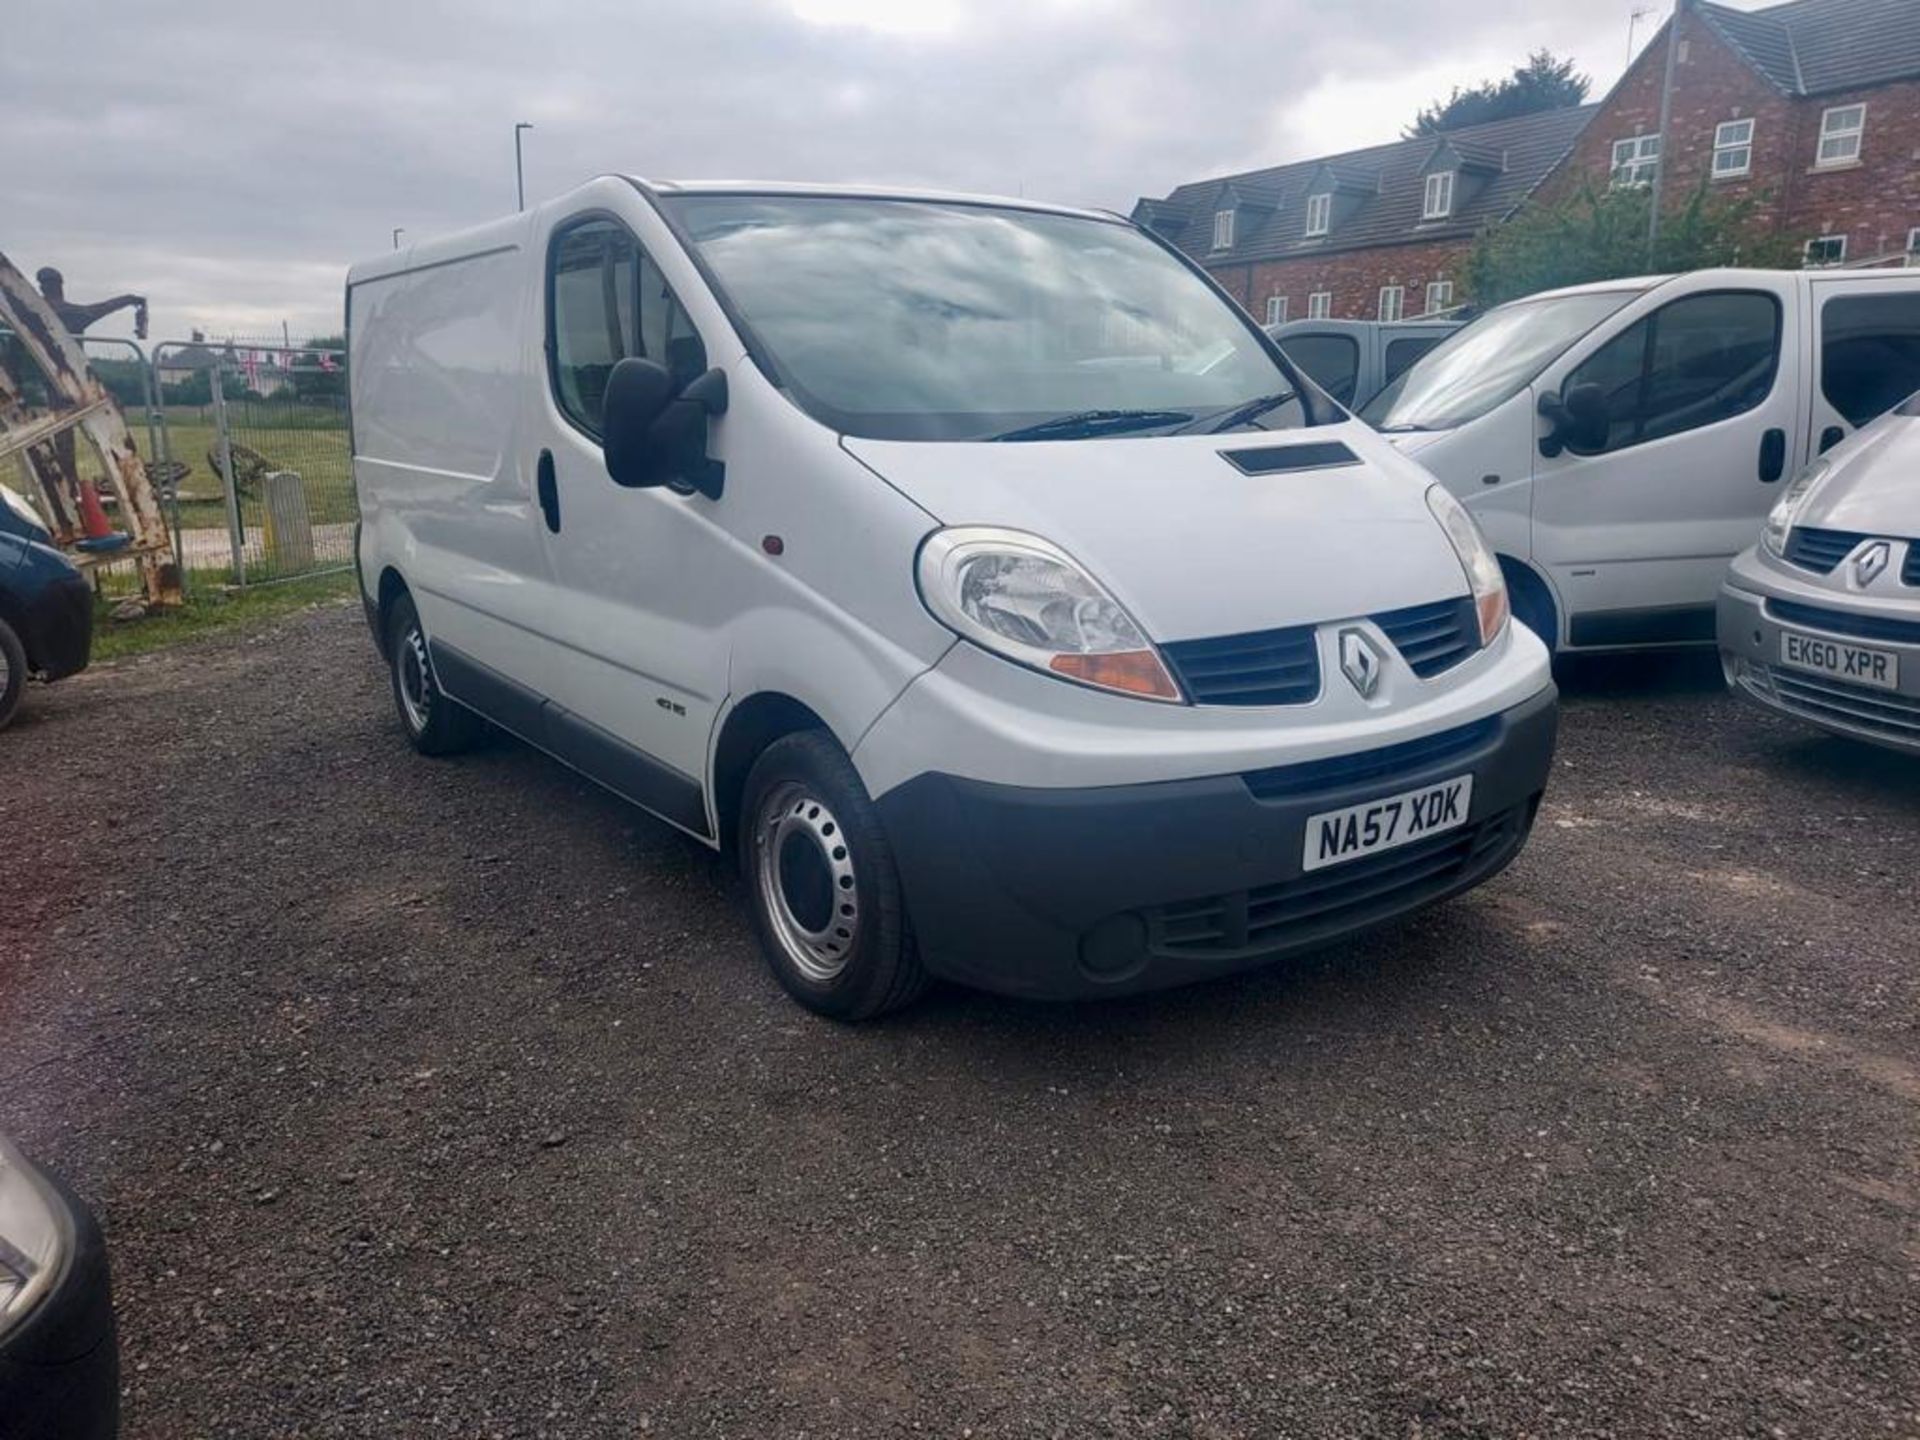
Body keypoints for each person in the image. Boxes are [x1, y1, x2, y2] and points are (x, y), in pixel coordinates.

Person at [30, 268, 149, 544]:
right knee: (111, 427)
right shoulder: (72, 313)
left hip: (54, 386)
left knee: (64, 441)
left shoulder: (34, 315)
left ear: (41, 286)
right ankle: (125, 477)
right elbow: (103, 308)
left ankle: (70, 492)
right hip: (79, 383)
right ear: (60, 284)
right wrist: (131, 299)